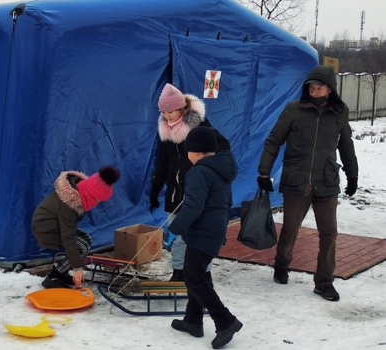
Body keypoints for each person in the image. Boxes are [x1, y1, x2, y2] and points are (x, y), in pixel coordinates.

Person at [257, 65, 359, 302]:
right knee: (291, 229)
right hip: (297, 180)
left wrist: (352, 175)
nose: (314, 91)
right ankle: (281, 266)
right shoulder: (294, 109)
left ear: (330, 89)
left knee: (330, 233)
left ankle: (324, 282)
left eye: (319, 87)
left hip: (327, 180)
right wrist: (264, 172)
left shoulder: (339, 112)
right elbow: (274, 141)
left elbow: (346, 144)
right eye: (311, 87)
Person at [168, 126, 242, 349]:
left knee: (194, 278)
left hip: (203, 233)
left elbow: (193, 206)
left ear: (197, 152)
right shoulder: (220, 169)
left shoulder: (199, 172)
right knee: (198, 275)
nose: (187, 155)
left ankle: (225, 321)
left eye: (188, 150)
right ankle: (193, 320)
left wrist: (176, 227)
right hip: (213, 230)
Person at [150, 83, 231, 281]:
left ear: (182, 108)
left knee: (198, 236)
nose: (167, 116)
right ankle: (179, 272)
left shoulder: (201, 126)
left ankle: (203, 273)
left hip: (197, 191)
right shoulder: (165, 132)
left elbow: (222, 147)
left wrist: (202, 168)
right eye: (164, 112)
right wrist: (155, 190)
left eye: (171, 111)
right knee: (177, 237)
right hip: (175, 193)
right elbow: (162, 162)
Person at [32, 166, 120, 289]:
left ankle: (61, 272)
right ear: (90, 195)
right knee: (81, 247)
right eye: (98, 200)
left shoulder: (79, 193)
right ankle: (53, 276)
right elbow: (68, 238)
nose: (98, 203)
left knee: (86, 240)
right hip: (46, 229)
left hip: (55, 225)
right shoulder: (69, 204)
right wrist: (77, 268)